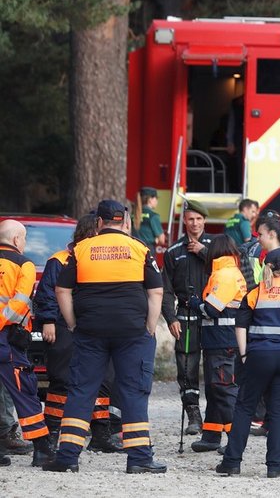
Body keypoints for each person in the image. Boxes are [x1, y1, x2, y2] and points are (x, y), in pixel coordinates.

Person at [45, 201, 166, 473]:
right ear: (124, 222)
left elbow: (62, 291)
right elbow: (156, 292)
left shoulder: (80, 250)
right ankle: (139, 459)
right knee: (133, 392)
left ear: (98, 222)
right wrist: (149, 326)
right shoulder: (140, 249)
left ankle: (67, 457)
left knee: (81, 391)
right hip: (132, 332)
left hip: (90, 331)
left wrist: (73, 323)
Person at [216, 249, 280, 478]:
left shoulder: (256, 292)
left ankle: (231, 462)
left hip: (259, 355)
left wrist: (244, 354)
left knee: (245, 407)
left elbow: (240, 325)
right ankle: (276, 465)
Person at [34, 214, 123, 458]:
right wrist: (49, 321)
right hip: (64, 327)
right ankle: (51, 436)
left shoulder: (97, 260)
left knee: (104, 381)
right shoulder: (60, 261)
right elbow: (48, 294)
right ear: (90, 233)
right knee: (62, 381)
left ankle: (100, 435)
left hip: (94, 328)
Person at [189, 235, 248, 452]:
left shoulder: (224, 275)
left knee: (223, 389)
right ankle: (212, 436)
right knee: (215, 390)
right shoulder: (229, 272)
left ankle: (236, 440)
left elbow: (212, 309)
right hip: (220, 339)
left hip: (222, 340)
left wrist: (195, 303)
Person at [0, 220, 50, 468]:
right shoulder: (23, 263)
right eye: (25, 238)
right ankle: (42, 449)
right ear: (17, 240)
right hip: (8, 338)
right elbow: (19, 302)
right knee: (24, 392)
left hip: (6, 338)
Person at [161, 200, 214, 435]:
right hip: (185, 316)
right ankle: (193, 414)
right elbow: (165, 289)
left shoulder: (217, 245)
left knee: (216, 367)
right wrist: (170, 317)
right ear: (185, 221)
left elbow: (230, 270)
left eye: (199, 219)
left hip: (213, 314)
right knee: (187, 367)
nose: (195, 223)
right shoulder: (173, 251)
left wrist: (203, 252)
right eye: (191, 219)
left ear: (204, 221)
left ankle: (217, 416)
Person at [134, 187, 166, 252]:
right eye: (156, 198)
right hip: (148, 252)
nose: (157, 201)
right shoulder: (153, 216)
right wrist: (156, 239)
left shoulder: (133, 214)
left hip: (134, 250)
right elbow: (162, 240)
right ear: (150, 199)